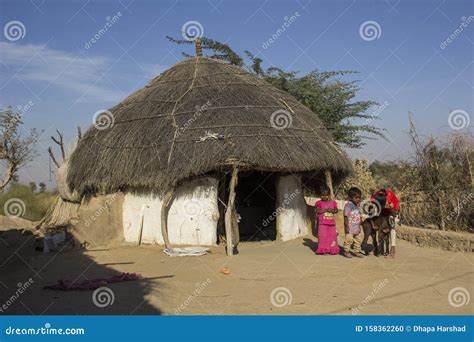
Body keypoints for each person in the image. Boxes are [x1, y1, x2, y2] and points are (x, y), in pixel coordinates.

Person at [371, 188, 400, 258]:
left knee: (392, 227)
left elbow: (396, 206)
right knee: (375, 227)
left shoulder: (390, 195)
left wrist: (392, 208)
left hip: (391, 212)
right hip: (380, 213)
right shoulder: (375, 196)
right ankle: (376, 247)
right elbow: (372, 205)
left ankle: (393, 247)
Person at [315, 185, 339, 255]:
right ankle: (322, 250)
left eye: (326, 195)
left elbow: (336, 210)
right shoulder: (318, 203)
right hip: (322, 223)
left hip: (332, 224)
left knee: (332, 237)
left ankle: (332, 249)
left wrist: (333, 210)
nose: (324, 197)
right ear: (319, 195)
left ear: (329, 195)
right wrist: (326, 210)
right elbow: (317, 211)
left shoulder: (333, 202)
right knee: (322, 237)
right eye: (322, 195)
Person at [343, 187, 364, 258]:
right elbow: (346, 216)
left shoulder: (358, 206)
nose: (358, 199)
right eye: (356, 198)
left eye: (359, 198)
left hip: (357, 227)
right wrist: (346, 226)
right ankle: (346, 251)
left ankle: (357, 251)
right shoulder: (348, 205)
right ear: (350, 198)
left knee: (358, 240)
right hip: (350, 227)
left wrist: (360, 223)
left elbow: (359, 215)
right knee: (349, 240)